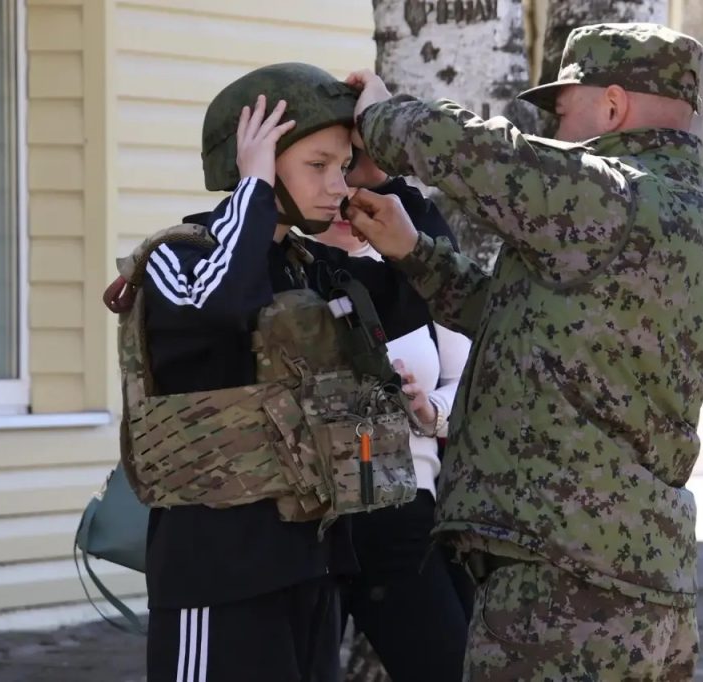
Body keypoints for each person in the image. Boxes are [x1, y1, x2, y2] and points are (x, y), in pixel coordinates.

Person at [341, 23, 703, 681]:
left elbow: (480, 153)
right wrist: (414, 253)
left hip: (564, 591)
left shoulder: (611, 192)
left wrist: (380, 117)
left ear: (612, 106)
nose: (554, 129)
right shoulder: (695, 216)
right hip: (646, 582)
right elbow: (532, 324)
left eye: (561, 111)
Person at [106, 62, 455, 682]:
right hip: (216, 575)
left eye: (343, 165)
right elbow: (220, 304)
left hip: (312, 570)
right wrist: (254, 191)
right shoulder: (176, 258)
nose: (336, 185)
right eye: (317, 165)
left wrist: (384, 172)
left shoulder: (309, 266)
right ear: (256, 164)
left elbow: (422, 283)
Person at [310, 157, 474, 680]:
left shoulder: (416, 268)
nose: (344, 195)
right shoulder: (282, 266)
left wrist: (429, 411)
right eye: (321, 169)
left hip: (402, 510)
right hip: (306, 521)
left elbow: (471, 383)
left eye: (352, 174)